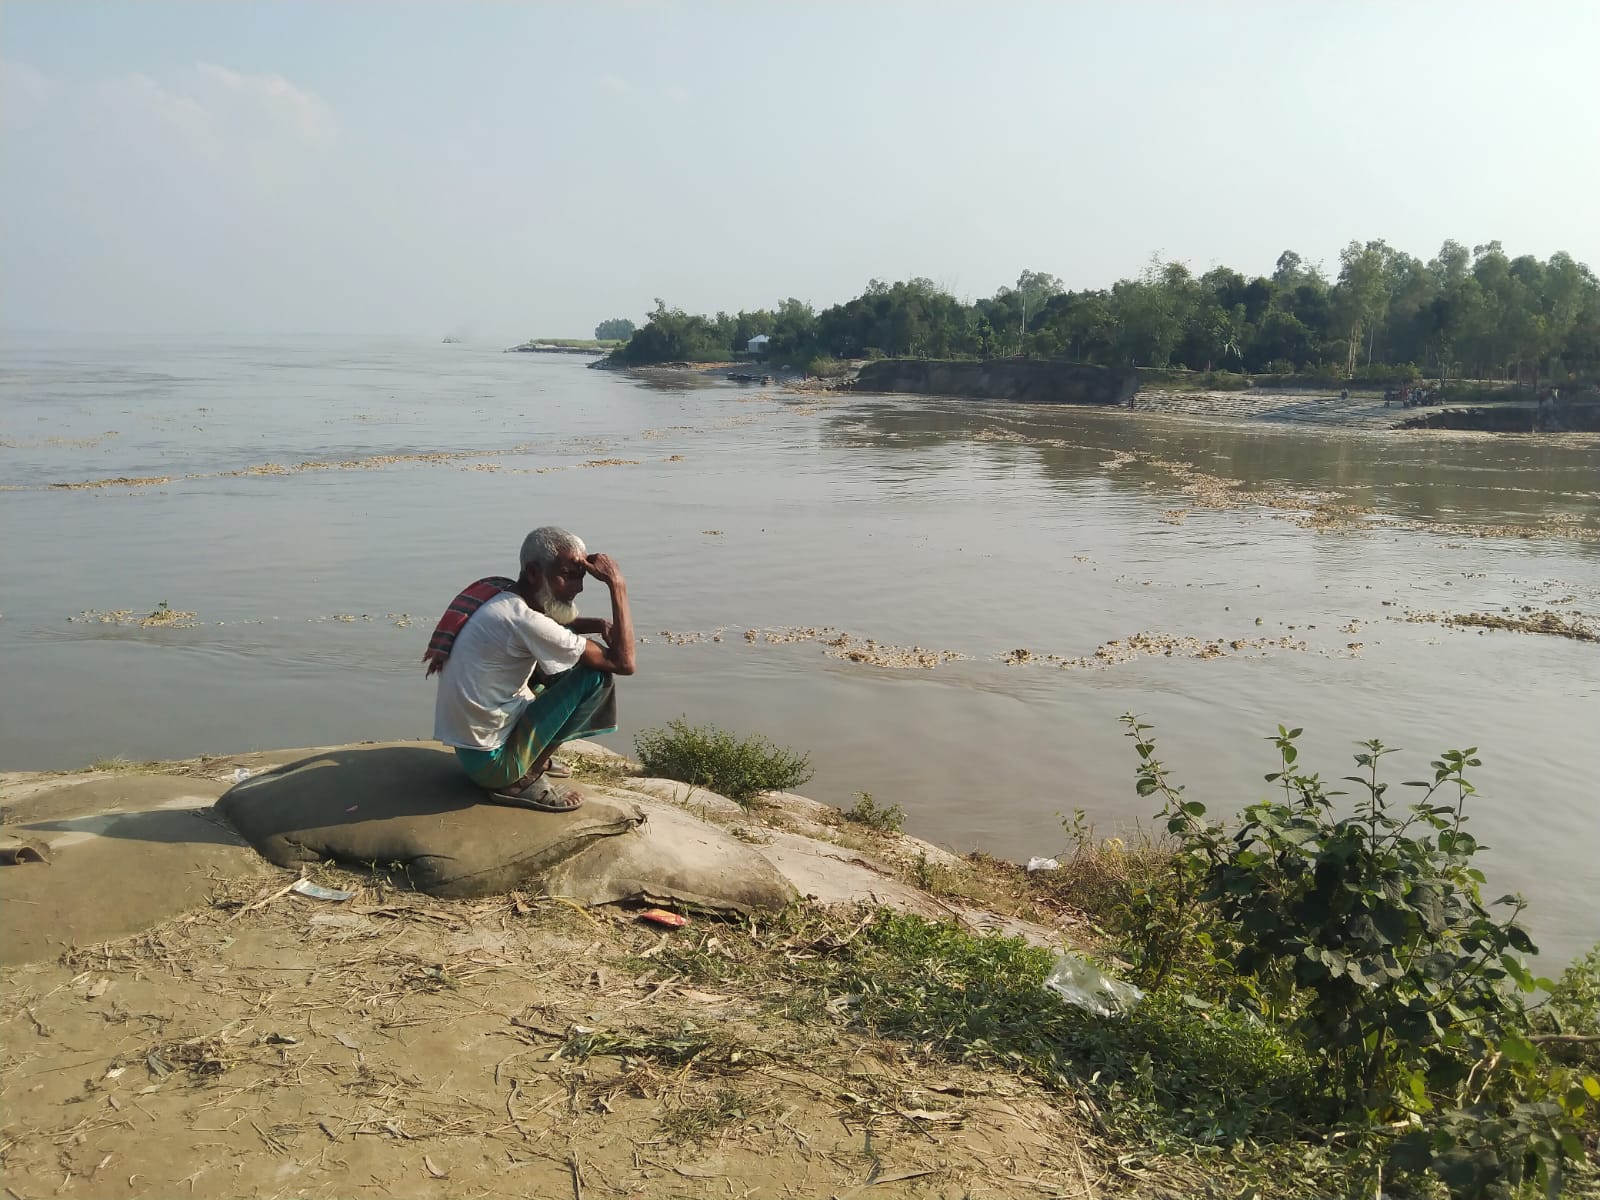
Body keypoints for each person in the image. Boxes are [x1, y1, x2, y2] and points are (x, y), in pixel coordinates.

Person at [425, 527, 636, 812]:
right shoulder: (524, 620)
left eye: (581, 576)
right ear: (534, 572)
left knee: (558, 661)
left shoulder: (500, 593)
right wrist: (617, 585)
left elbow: (549, 623)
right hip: (493, 767)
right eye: (568, 575)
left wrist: (597, 624)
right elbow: (623, 663)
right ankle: (523, 778)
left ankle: (529, 756)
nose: (578, 587)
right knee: (595, 675)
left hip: (472, 752)